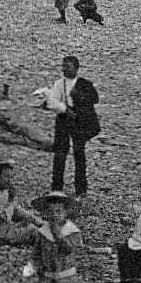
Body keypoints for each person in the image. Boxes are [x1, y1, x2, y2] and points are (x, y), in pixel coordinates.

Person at [45, 56, 100, 197]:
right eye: (63, 66)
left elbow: (94, 99)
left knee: (79, 154)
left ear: (76, 68)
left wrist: (80, 99)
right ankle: (57, 187)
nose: (64, 69)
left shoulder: (85, 84)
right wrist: (64, 109)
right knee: (60, 153)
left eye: (68, 67)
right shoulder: (58, 84)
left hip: (79, 122)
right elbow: (51, 102)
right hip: (63, 120)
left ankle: (81, 188)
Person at [0, 162, 44, 245]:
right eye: (6, 176)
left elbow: (16, 210)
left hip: (6, 228)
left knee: (31, 221)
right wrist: (11, 199)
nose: (9, 180)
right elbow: (4, 217)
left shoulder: (4, 192)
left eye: (11, 177)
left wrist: (35, 220)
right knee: (34, 230)